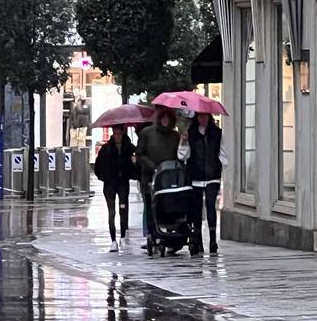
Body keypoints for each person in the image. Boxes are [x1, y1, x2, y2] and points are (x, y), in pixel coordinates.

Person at [136, 108, 180, 251]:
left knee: (170, 205)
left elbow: (178, 156)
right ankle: (152, 234)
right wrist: (153, 167)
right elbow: (140, 154)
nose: (165, 122)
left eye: (168, 119)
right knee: (150, 207)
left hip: (168, 179)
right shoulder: (147, 134)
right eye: (163, 118)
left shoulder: (175, 137)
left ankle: (171, 235)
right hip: (150, 178)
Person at [183, 113, 226, 255]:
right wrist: (183, 142)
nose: (202, 119)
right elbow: (183, 155)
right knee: (196, 209)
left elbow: (223, 153)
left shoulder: (217, 133)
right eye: (200, 116)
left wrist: (220, 166)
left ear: (209, 117)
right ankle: (198, 240)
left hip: (212, 176)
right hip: (196, 175)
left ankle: (213, 240)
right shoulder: (191, 133)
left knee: (210, 205)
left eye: (205, 116)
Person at [94, 125, 138, 252]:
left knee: (123, 209)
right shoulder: (106, 149)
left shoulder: (129, 148)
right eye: (116, 134)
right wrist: (105, 177)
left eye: (120, 134)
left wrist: (133, 165)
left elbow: (135, 167)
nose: (118, 136)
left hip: (123, 183)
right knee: (111, 212)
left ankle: (123, 237)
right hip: (110, 185)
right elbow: (98, 167)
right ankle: (113, 240)